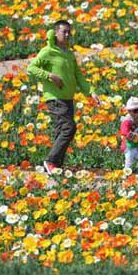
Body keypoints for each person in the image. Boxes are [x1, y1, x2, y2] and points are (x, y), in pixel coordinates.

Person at [27, 19, 100, 174]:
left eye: (69, 32)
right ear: (56, 33)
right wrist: (50, 76)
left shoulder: (69, 54)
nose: (67, 35)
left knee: (61, 130)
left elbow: (78, 76)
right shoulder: (48, 51)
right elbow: (31, 68)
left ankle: (55, 167)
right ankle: (51, 161)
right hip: (54, 97)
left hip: (68, 98)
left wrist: (91, 92)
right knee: (69, 127)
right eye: (63, 32)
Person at [120, 97, 138, 183]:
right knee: (129, 161)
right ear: (129, 111)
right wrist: (135, 137)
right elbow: (124, 132)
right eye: (135, 111)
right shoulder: (127, 121)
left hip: (137, 145)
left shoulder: (136, 120)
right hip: (129, 146)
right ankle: (126, 177)